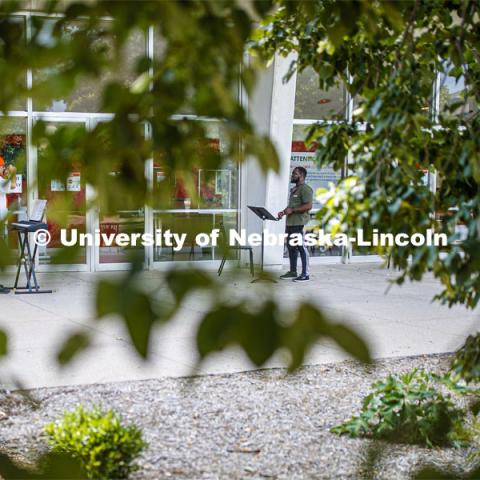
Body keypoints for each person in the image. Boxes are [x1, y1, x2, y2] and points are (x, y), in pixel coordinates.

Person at [278, 166, 313, 282]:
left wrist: (292, 210)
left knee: (301, 247)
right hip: (291, 223)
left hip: (300, 223)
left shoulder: (305, 189)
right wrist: (283, 212)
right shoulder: (294, 190)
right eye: (293, 173)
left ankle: (305, 274)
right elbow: (291, 207)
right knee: (291, 247)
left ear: (301, 176)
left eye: (295, 173)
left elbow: (308, 206)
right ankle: (293, 271)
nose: (292, 175)